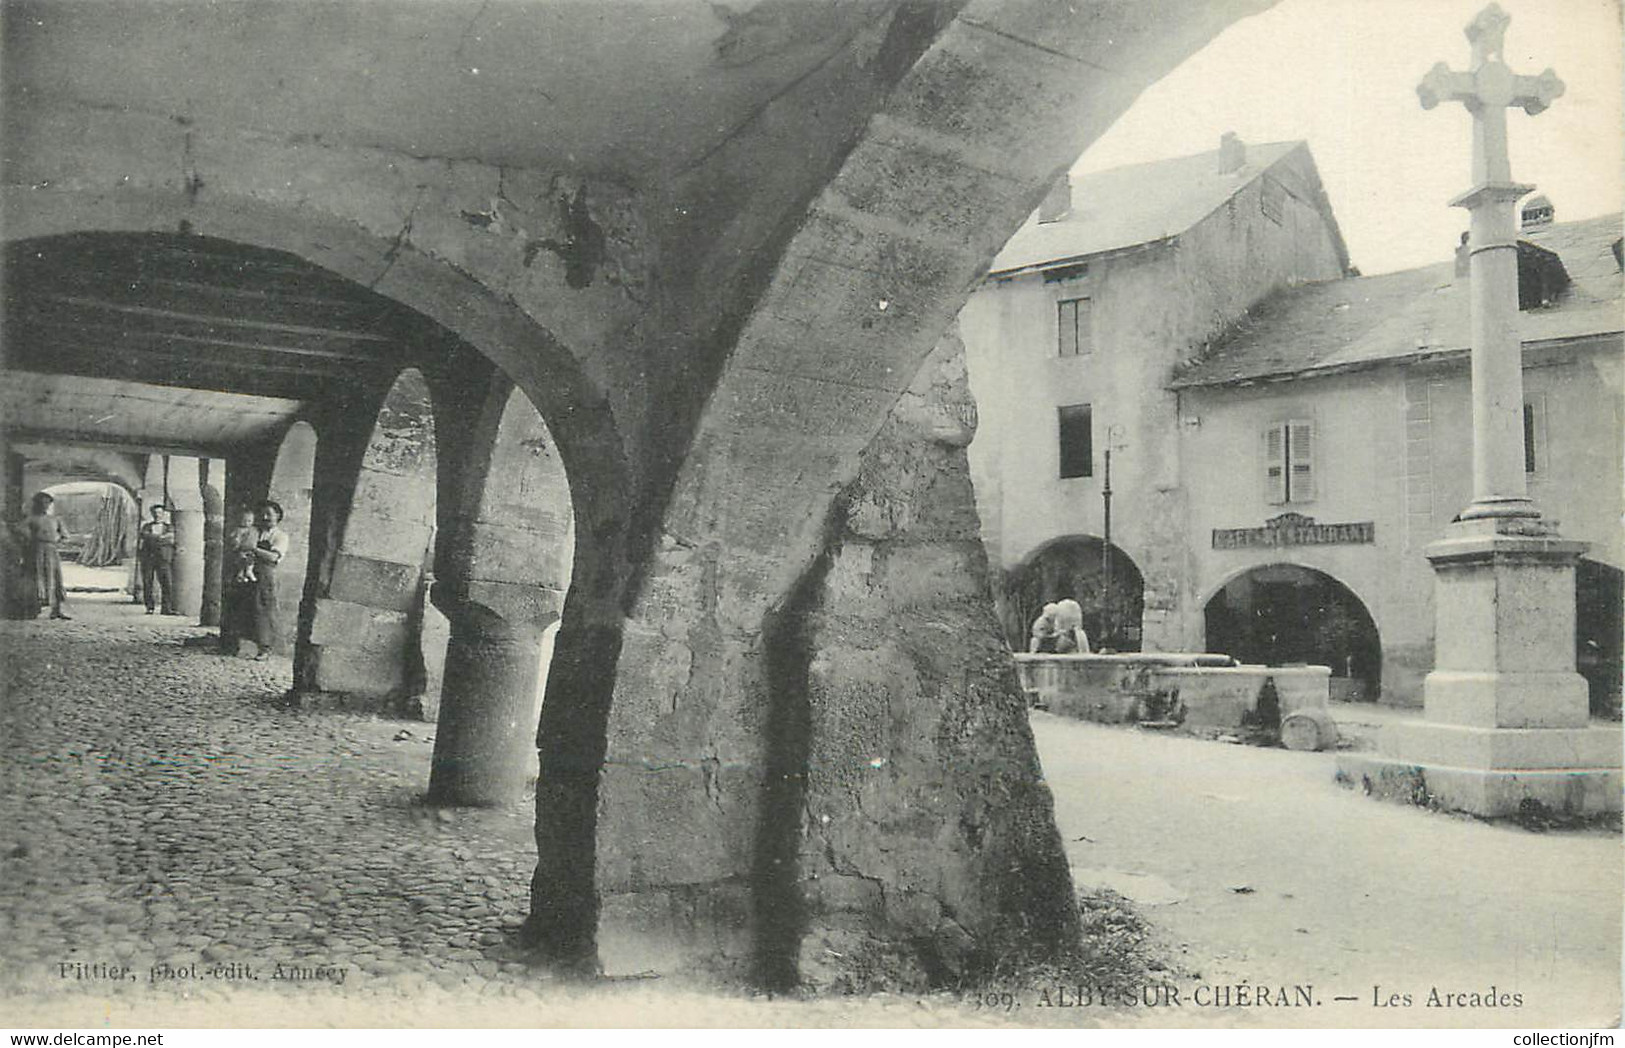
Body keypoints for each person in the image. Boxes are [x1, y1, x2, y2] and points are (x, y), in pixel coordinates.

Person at [243, 500, 290, 660]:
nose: (265, 517)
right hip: (251, 571)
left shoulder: (280, 536)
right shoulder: (256, 533)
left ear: (277, 515)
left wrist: (253, 549)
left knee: (264, 608)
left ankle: (266, 647)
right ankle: (249, 644)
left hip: (267, 574)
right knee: (248, 607)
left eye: (269, 514)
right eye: (262, 514)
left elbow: (273, 557)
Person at [20, 492, 72, 620]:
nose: (44, 505)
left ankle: (57, 610)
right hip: (36, 550)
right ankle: (33, 609)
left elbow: (66, 536)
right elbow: (22, 533)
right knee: (37, 577)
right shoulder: (30, 519)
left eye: (47, 503)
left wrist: (56, 540)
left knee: (55, 578)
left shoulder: (55, 519)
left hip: (52, 551)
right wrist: (31, 541)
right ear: (36, 504)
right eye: (42, 503)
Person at [137, 503, 177, 615]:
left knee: (167, 584)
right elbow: (145, 536)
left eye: (159, 513)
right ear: (152, 514)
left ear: (163, 514)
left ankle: (166, 608)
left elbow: (171, 540)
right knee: (148, 583)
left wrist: (153, 538)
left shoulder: (169, 527)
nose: (157, 515)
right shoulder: (146, 527)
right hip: (148, 559)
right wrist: (161, 538)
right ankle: (149, 607)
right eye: (155, 513)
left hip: (164, 559)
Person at [227, 508, 258, 585]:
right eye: (244, 520)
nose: (246, 523)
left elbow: (255, 538)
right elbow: (232, 538)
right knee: (241, 560)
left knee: (251, 559)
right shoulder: (238, 529)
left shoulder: (253, 530)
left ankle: (249, 571)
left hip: (250, 550)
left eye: (249, 521)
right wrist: (235, 540)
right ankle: (240, 574)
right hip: (240, 549)